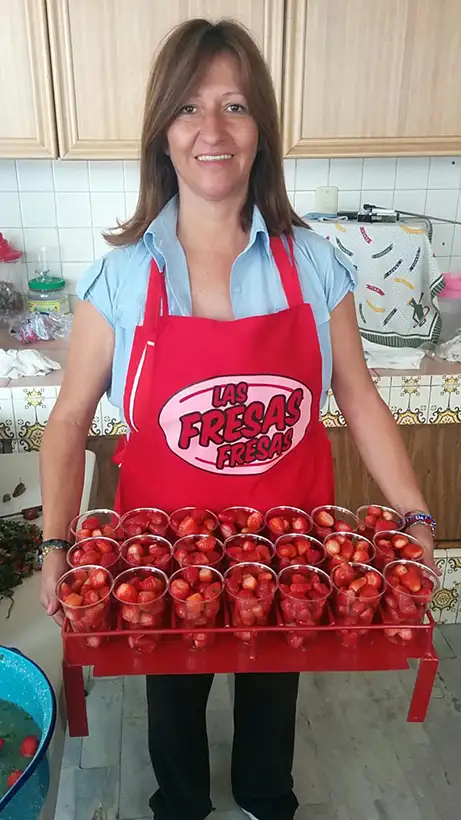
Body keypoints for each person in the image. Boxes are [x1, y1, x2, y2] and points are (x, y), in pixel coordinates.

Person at [39, 18, 437, 820]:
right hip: (160, 545)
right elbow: (70, 418)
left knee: (271, 684)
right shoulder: (119, 277)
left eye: (235, 106)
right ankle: (178, 803)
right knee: (170, 697)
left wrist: (414, 512)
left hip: (286, 543)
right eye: (189, 108)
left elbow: (356, 393)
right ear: (162, 132)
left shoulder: (314, 262)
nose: (211, 131)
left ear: (262, 132)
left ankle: (266, 799)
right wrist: (56, 543)